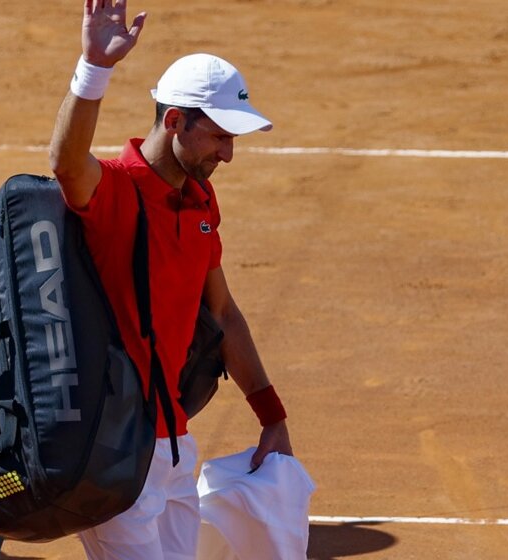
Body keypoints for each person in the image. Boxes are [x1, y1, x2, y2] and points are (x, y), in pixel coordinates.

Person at [48, 1, 294, 558]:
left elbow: (223, 312)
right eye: (220, 137)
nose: (229, 154)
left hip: (174, 442)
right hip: (112, 446)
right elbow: (66, 162)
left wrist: (271, 415)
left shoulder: (201, 198)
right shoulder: (113, 190)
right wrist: (94, 68)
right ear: (176, 120)